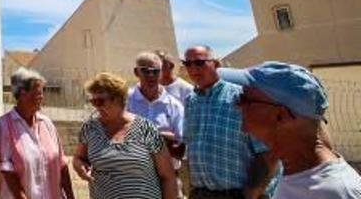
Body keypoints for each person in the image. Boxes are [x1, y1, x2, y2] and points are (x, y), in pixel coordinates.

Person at [219, 62, 361, 198]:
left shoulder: (333, 193)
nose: (237, 104)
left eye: (245, 99)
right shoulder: (298, 175)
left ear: (281, 115)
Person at [182, 46, 279, 199]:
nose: (193, 68)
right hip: (201, 194)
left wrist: (250, 194)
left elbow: (267, 152)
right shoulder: (191, 101)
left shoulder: (241, 96)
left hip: (239, 194)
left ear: (215, 64)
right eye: (188, 63)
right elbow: (190, 148)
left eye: (200, 62)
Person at [72, 72, 177, 199]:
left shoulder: (146, 128)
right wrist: (79, 166)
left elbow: (168, 177)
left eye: (100, 101)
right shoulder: (90, 128)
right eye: (93, 101)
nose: (96, 107)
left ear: (118, 99)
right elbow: (78, 157)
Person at [0, 68, 75, 199]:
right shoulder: (5, 124)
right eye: (38, 93)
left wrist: (70, 197)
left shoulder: (47, 123)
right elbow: (6, 169)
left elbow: (62, 164)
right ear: (22, 93)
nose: (42, 97)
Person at [127, 51, 186, 193]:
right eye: (145, 71)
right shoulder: (125, 101)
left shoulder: (174, 105)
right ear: (136, 72)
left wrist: (151, 134)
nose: (151, 75)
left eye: (155, 71)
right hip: (132, 178)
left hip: (167, 178)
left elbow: (182, 144)